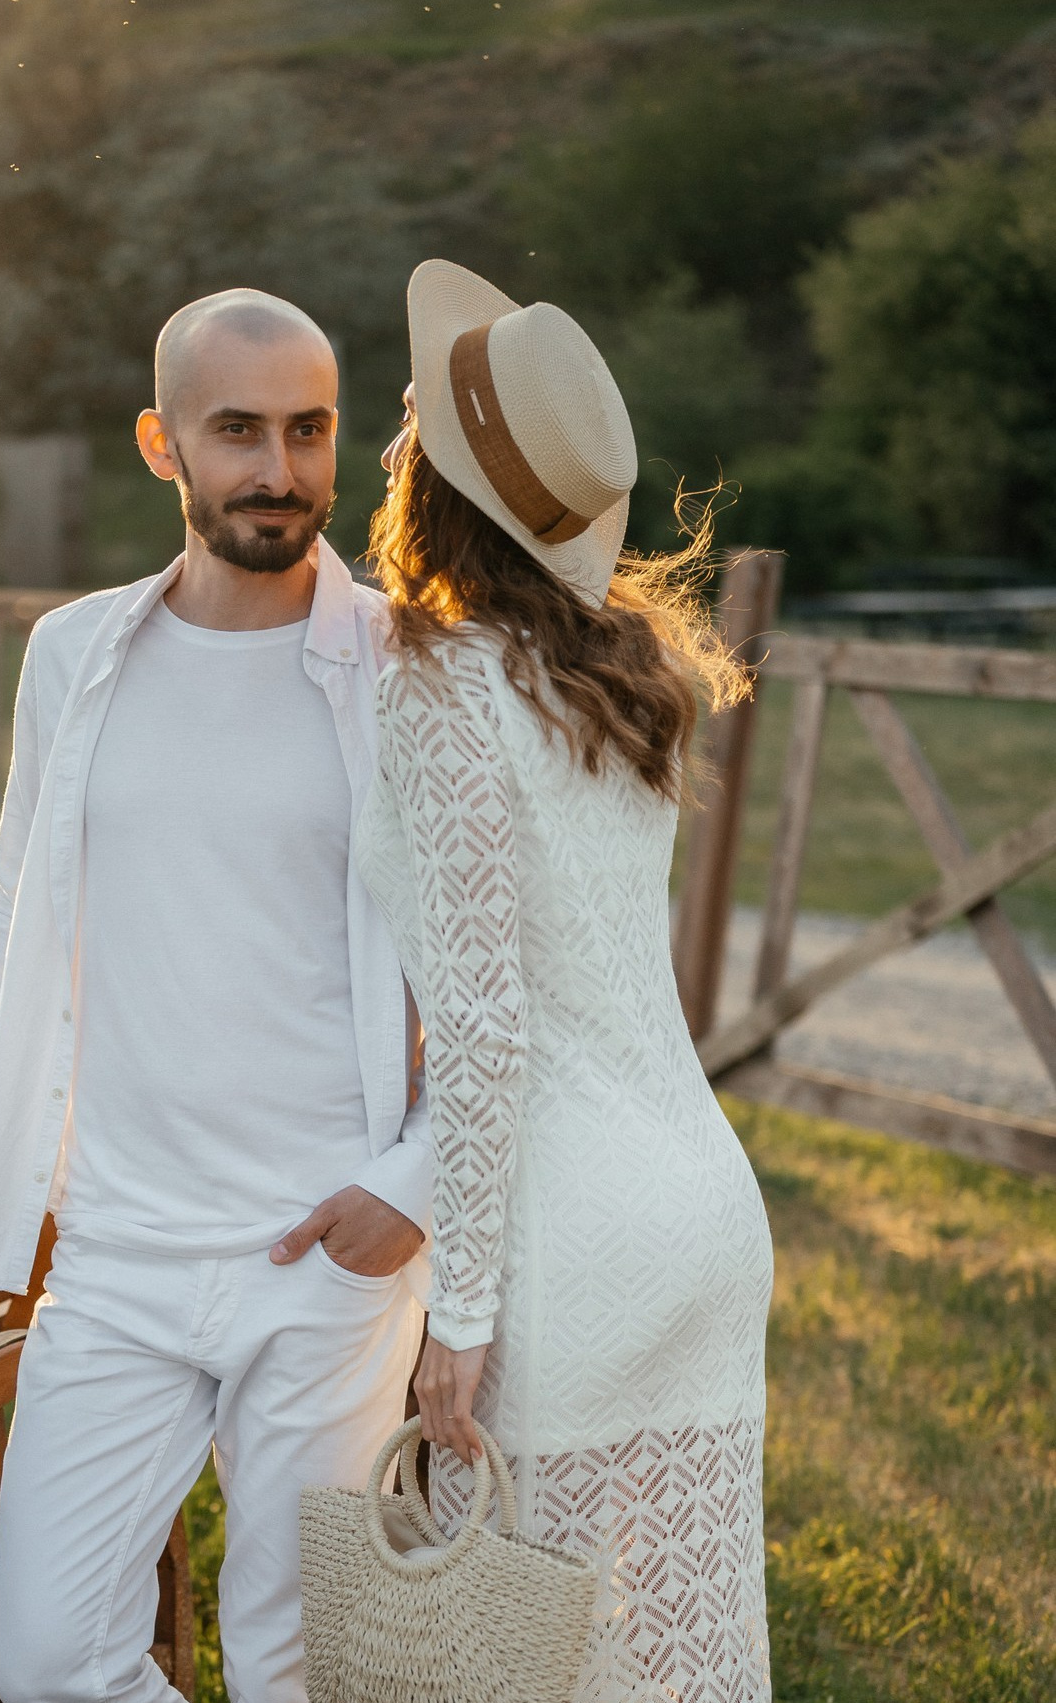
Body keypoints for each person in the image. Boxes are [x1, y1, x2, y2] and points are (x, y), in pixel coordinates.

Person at [0, 288, 428, 1702]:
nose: (279, 470)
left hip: (329, 1254)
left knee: (297, 1668)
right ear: (160, 443)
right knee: (55, 1662)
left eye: (309, 430)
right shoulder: (75, 654)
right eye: (238, 430)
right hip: (119, 1252)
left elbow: (492, 975)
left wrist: (414, 1191)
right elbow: (19, 906)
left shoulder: (408, 669)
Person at [357, 259, 775, 1702]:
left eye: (413, 420)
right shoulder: (614, 666)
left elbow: (484, 1031)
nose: (392, 436)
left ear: (436, 478)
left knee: (515, 1663)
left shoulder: (440, 686)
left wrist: (460, 1316)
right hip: (703, 1211)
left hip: (568, 1240)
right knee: (671, 1656)